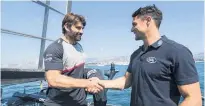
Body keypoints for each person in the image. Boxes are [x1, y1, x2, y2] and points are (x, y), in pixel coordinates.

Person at [94, 4, 202, 106]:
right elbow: (126, 81)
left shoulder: (178, 52)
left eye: (134, 24)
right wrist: (101, 82)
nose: (131, 29)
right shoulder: (136, 55)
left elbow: (194, 99)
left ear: (148, 20)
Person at [43, 13, 107, 106]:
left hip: (80, 103)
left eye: (82, 28)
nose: (82, 32)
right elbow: (53, 79)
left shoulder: (78, 47)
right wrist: (87, 83)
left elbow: (78, 71)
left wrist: (93, 76)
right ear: (67, 27)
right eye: (78, 28)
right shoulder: (55, 48)